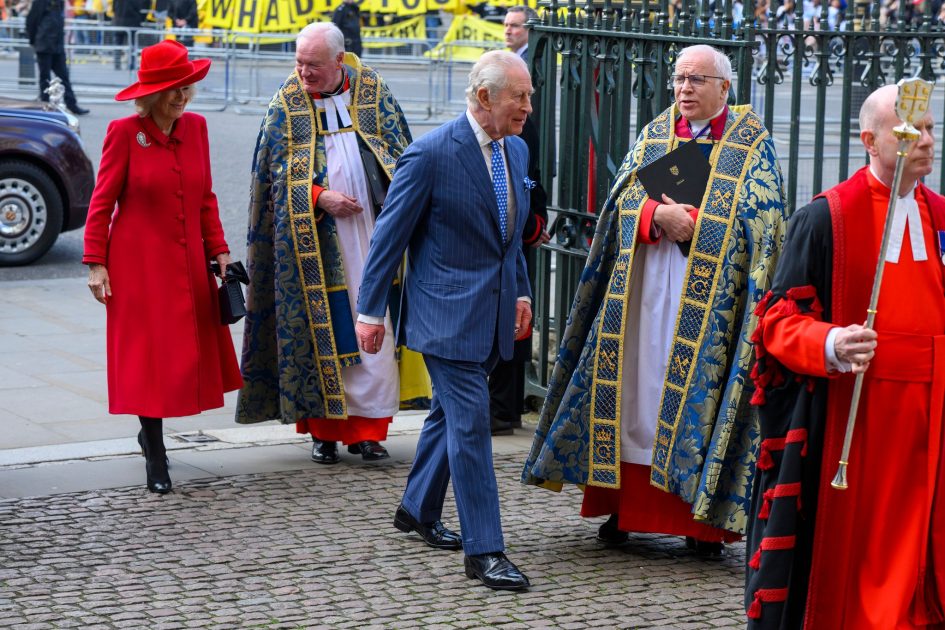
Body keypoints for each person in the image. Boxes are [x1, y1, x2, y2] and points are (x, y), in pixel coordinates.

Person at [522, 44, 788, 556]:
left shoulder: (752, 143)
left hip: (712, 303)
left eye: (696, 80)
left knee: (695, 401)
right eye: (679, 78)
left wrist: (702, 225)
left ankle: (699, 525)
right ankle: (624, 508)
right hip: (644, 290)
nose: (684, 88)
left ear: (724, 87)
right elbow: (619, 201)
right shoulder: (656, 133)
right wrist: (652, 216)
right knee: (636, 392)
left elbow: (767, 224)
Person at [745, 83, 945, 628]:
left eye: (930, 129)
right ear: (870, 141)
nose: (927, 141)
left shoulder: (941, 216)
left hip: (929, 420)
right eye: (910, 131)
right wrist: (831, 342)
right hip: (857, 416)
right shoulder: (826, 217)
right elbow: (775, 322)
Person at [356, 50, 535, 591]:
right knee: (471, 425)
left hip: (493, 312)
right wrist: (369, 312)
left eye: (529, 95)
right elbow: (388, 238)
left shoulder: (516, 149)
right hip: (445, 319)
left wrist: (521, 292)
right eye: (519, 96)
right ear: (484, 97)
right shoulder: (429, 154)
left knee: (448, 415)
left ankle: (416, 507)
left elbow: (509, 238)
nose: (528, 106)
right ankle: (485, 551)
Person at [237, 22, 415, 465]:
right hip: (315, 245)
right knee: (324, 336)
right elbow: (272, 177)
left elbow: (402, 153)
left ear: (339, 60)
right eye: (298, 62)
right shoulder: (285, 103)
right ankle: (323, 433)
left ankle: (368, 432)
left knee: (375, 328)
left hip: (373, 235)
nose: (303, 72)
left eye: (312, 64)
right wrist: (318, 197)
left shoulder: (374, 91)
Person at [83, 40, 242, 494]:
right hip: (137, 267)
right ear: (151, 94)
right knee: (146, 361)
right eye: (173, 88)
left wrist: (221, 252)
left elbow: (206, 197)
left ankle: (151, 438)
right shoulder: (123, 133)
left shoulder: (197, 127)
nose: (181, 95)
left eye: (186, 86)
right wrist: (96, 263)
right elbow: (102, 202)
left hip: (188, 263)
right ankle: (155, 449)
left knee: (183, 357)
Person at [490, 4, 549, 437]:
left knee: (516, 309)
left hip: (519, 218)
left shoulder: (519, 109)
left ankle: (505, 406)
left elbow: (532, 167)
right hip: (507, 220)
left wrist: (533, 219)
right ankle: (502, 405)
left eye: (515, 25)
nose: (525, 105)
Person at [26, 0, 89, 115]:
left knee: (63, 76)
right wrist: (34, 41)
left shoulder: (60, 2)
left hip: (57, 45)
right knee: (45, 77)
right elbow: (32, 20)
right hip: (44, 44)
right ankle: (44, 103)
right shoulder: (41, 2)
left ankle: (71, 104)